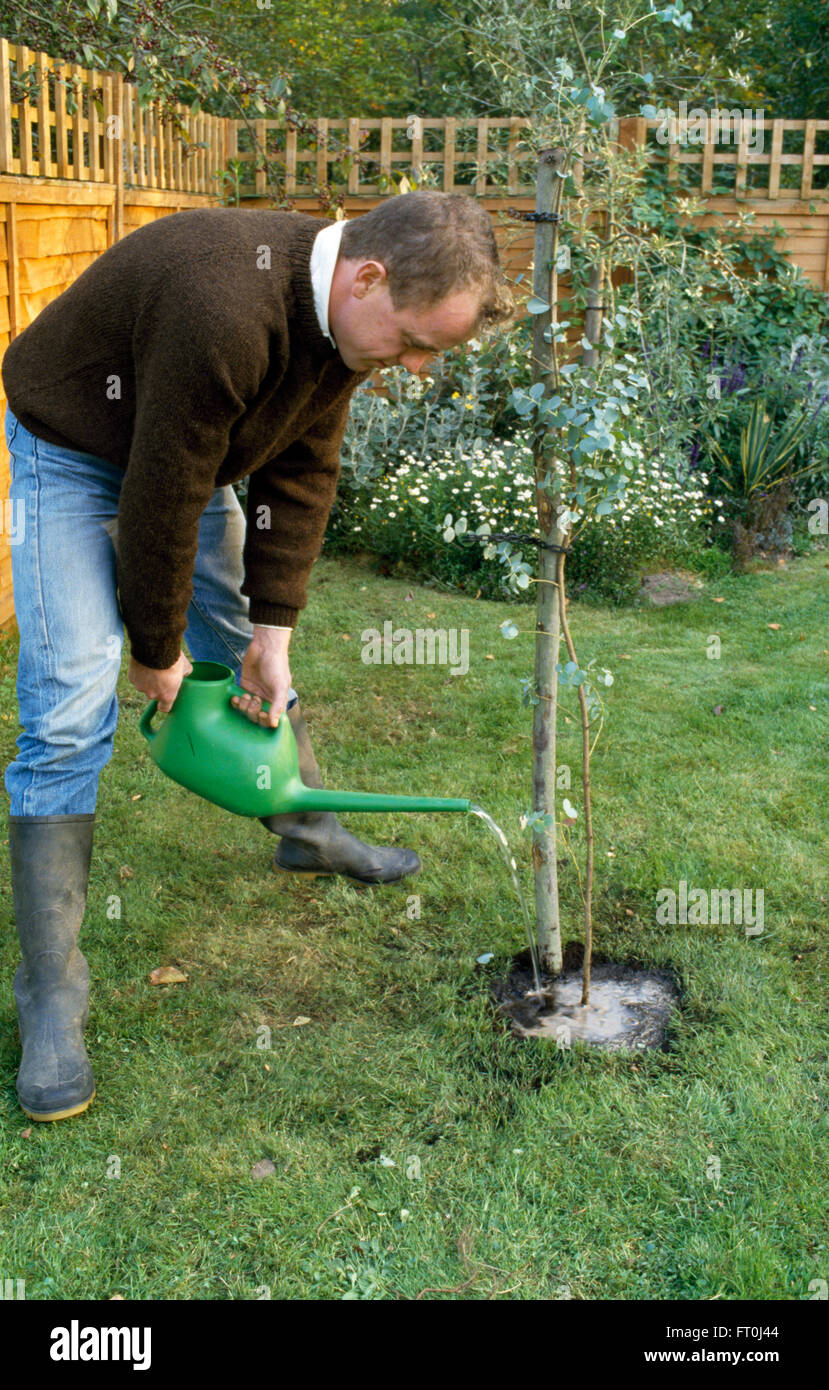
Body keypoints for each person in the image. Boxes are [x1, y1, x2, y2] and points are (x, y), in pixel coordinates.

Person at [0, 189, 514, 1121]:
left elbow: (301, 473)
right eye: (411, 340)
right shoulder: (223, 306)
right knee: (72, 702)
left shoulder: (342, 325)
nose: (414, 365)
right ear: (369, 276)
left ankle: (308, 837)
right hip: (75, 450)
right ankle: (51, 993)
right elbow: (160, 496)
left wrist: (270, 632)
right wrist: (154, 652)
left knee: (245, 649)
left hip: (187, 457)